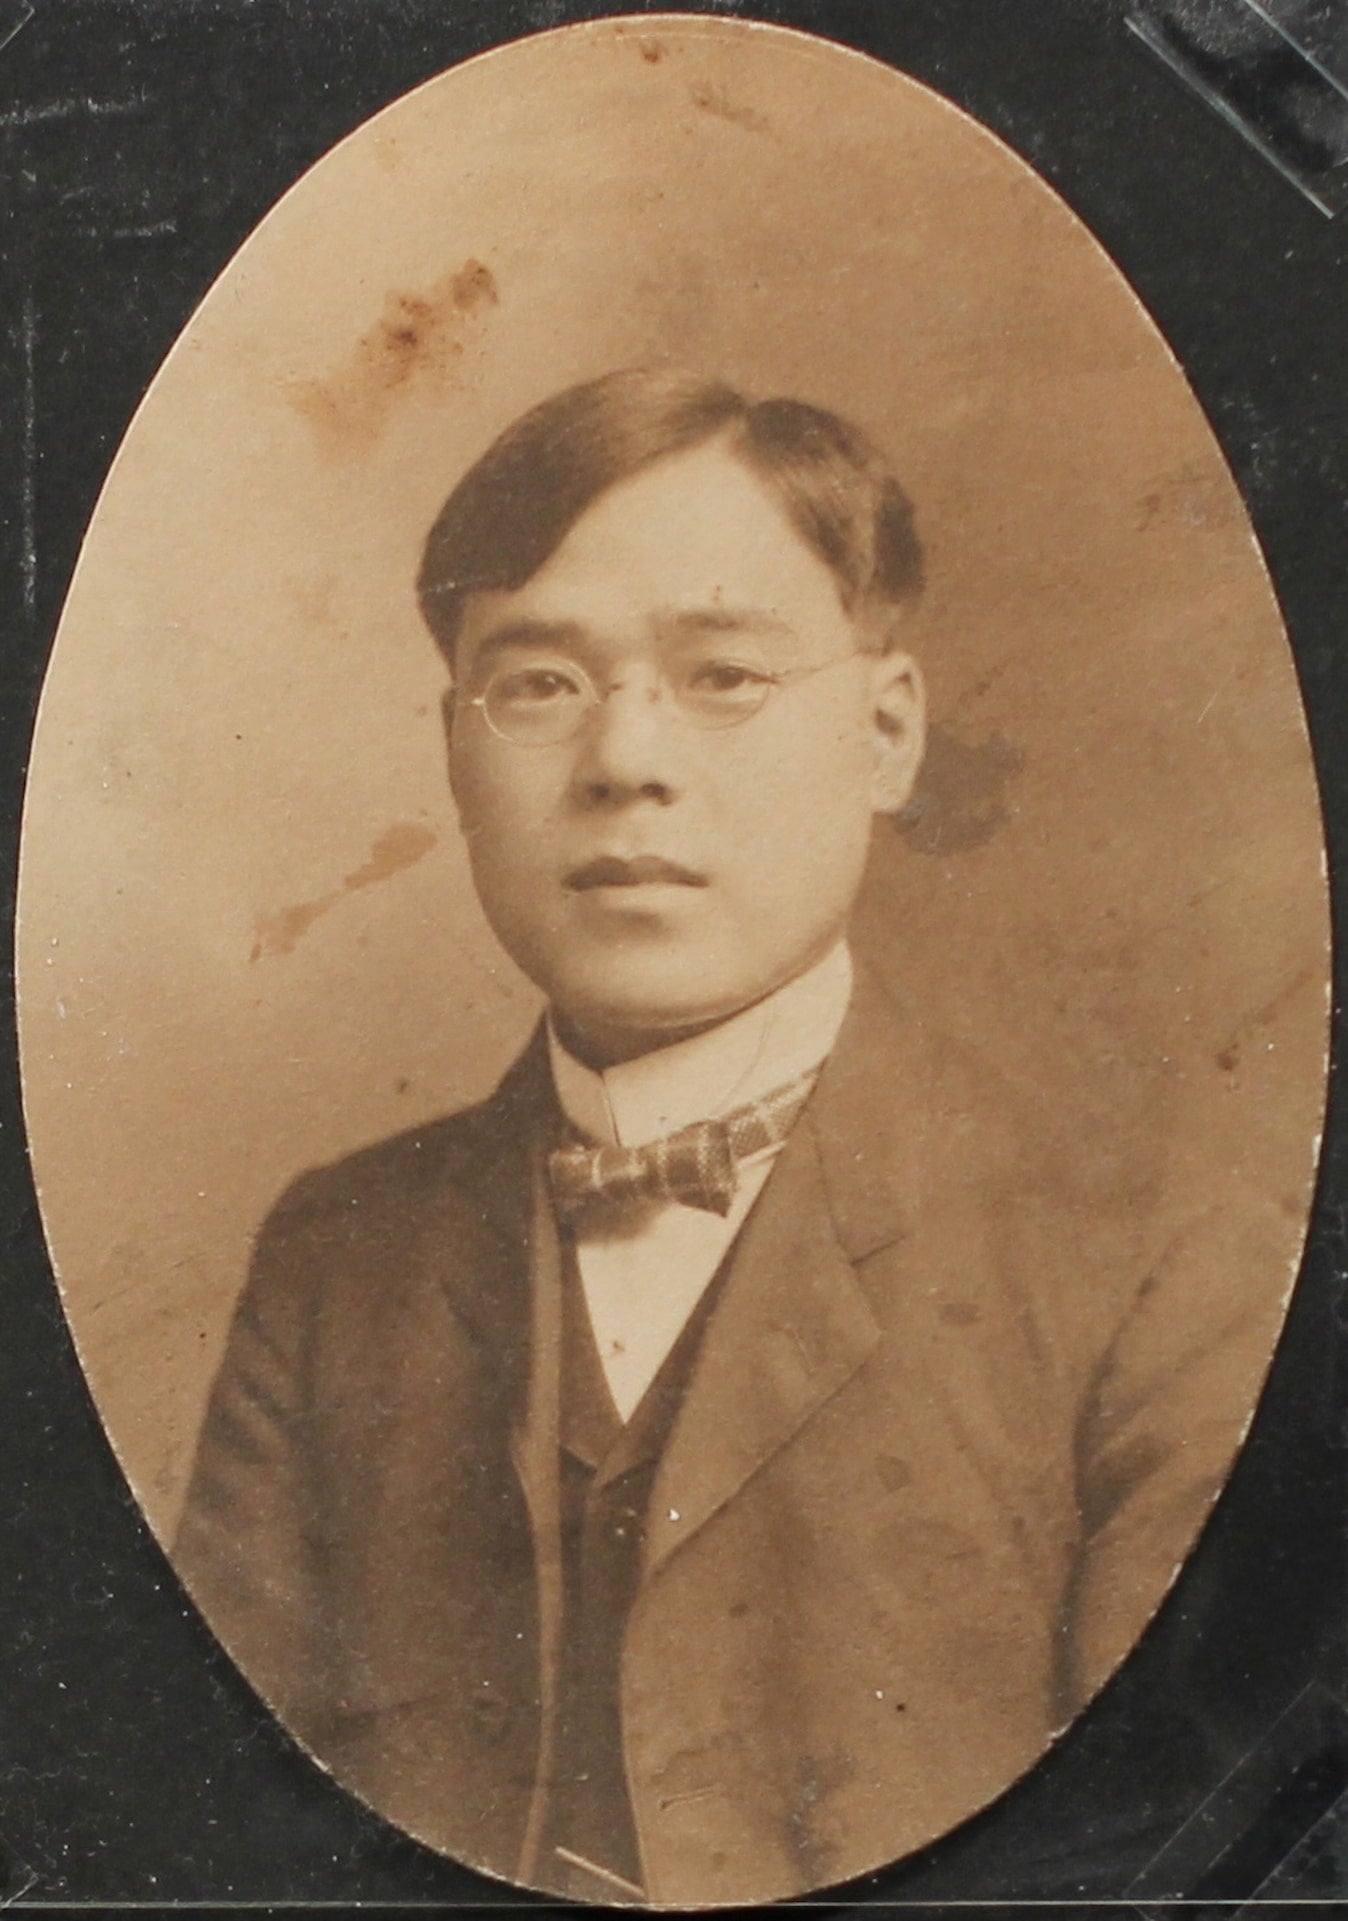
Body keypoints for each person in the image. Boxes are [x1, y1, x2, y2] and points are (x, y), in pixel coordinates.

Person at [175, 366, 1287, 1907]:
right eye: (541, 682)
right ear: (453, 749)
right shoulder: (334, 1259)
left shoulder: (1166, 1259)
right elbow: (183, 1841)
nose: (626, 759)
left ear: (888, 732)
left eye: (723, 675)